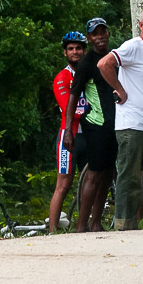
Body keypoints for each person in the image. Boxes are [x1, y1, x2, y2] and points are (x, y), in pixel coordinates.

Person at [97, 6, 143, 230]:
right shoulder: (134, 46)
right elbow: (104, 63)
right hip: (131, 124)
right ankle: (124, 224)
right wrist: (119, 88)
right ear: (141, 25)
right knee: (130, 176)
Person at [63, 17, 117, 232]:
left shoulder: (115, 57)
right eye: (95, 33)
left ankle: (96, 222)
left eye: (103, 32)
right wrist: (68, 130)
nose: (100, 36)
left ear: (108, 34)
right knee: (94, 173)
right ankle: (81, 224)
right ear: (90, 38)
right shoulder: (86, 63)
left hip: (115, 125)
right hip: (96, 123)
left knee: (107, 172)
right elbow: (73, 96)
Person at [47, 31, 89, 233]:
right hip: (68, 136)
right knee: (63, 185)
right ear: (65, 53)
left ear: (84, 50)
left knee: (89, 182)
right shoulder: (62, 77)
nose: (75, 52)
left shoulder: (89, 74)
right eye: (71, 49)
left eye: (79, 48)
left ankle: (84, 226)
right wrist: (94, 110)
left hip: (89, 136)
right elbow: (68, 108)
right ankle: (52, 231)